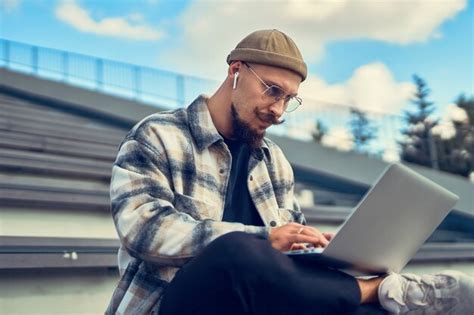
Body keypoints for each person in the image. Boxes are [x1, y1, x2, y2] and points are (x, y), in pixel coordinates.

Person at [106, 29, 473, 315]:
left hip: (260, 302)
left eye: (288, 99)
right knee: (237, 250)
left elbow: (283, 257)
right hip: (174, 303)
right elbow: (144, 232)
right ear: (235, 72)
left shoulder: (274, 161)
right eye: (272, 91)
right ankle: (376, 288)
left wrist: (308, 245)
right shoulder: (158, 136)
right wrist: (265, 238)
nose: (278, 111)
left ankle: (379, 296)